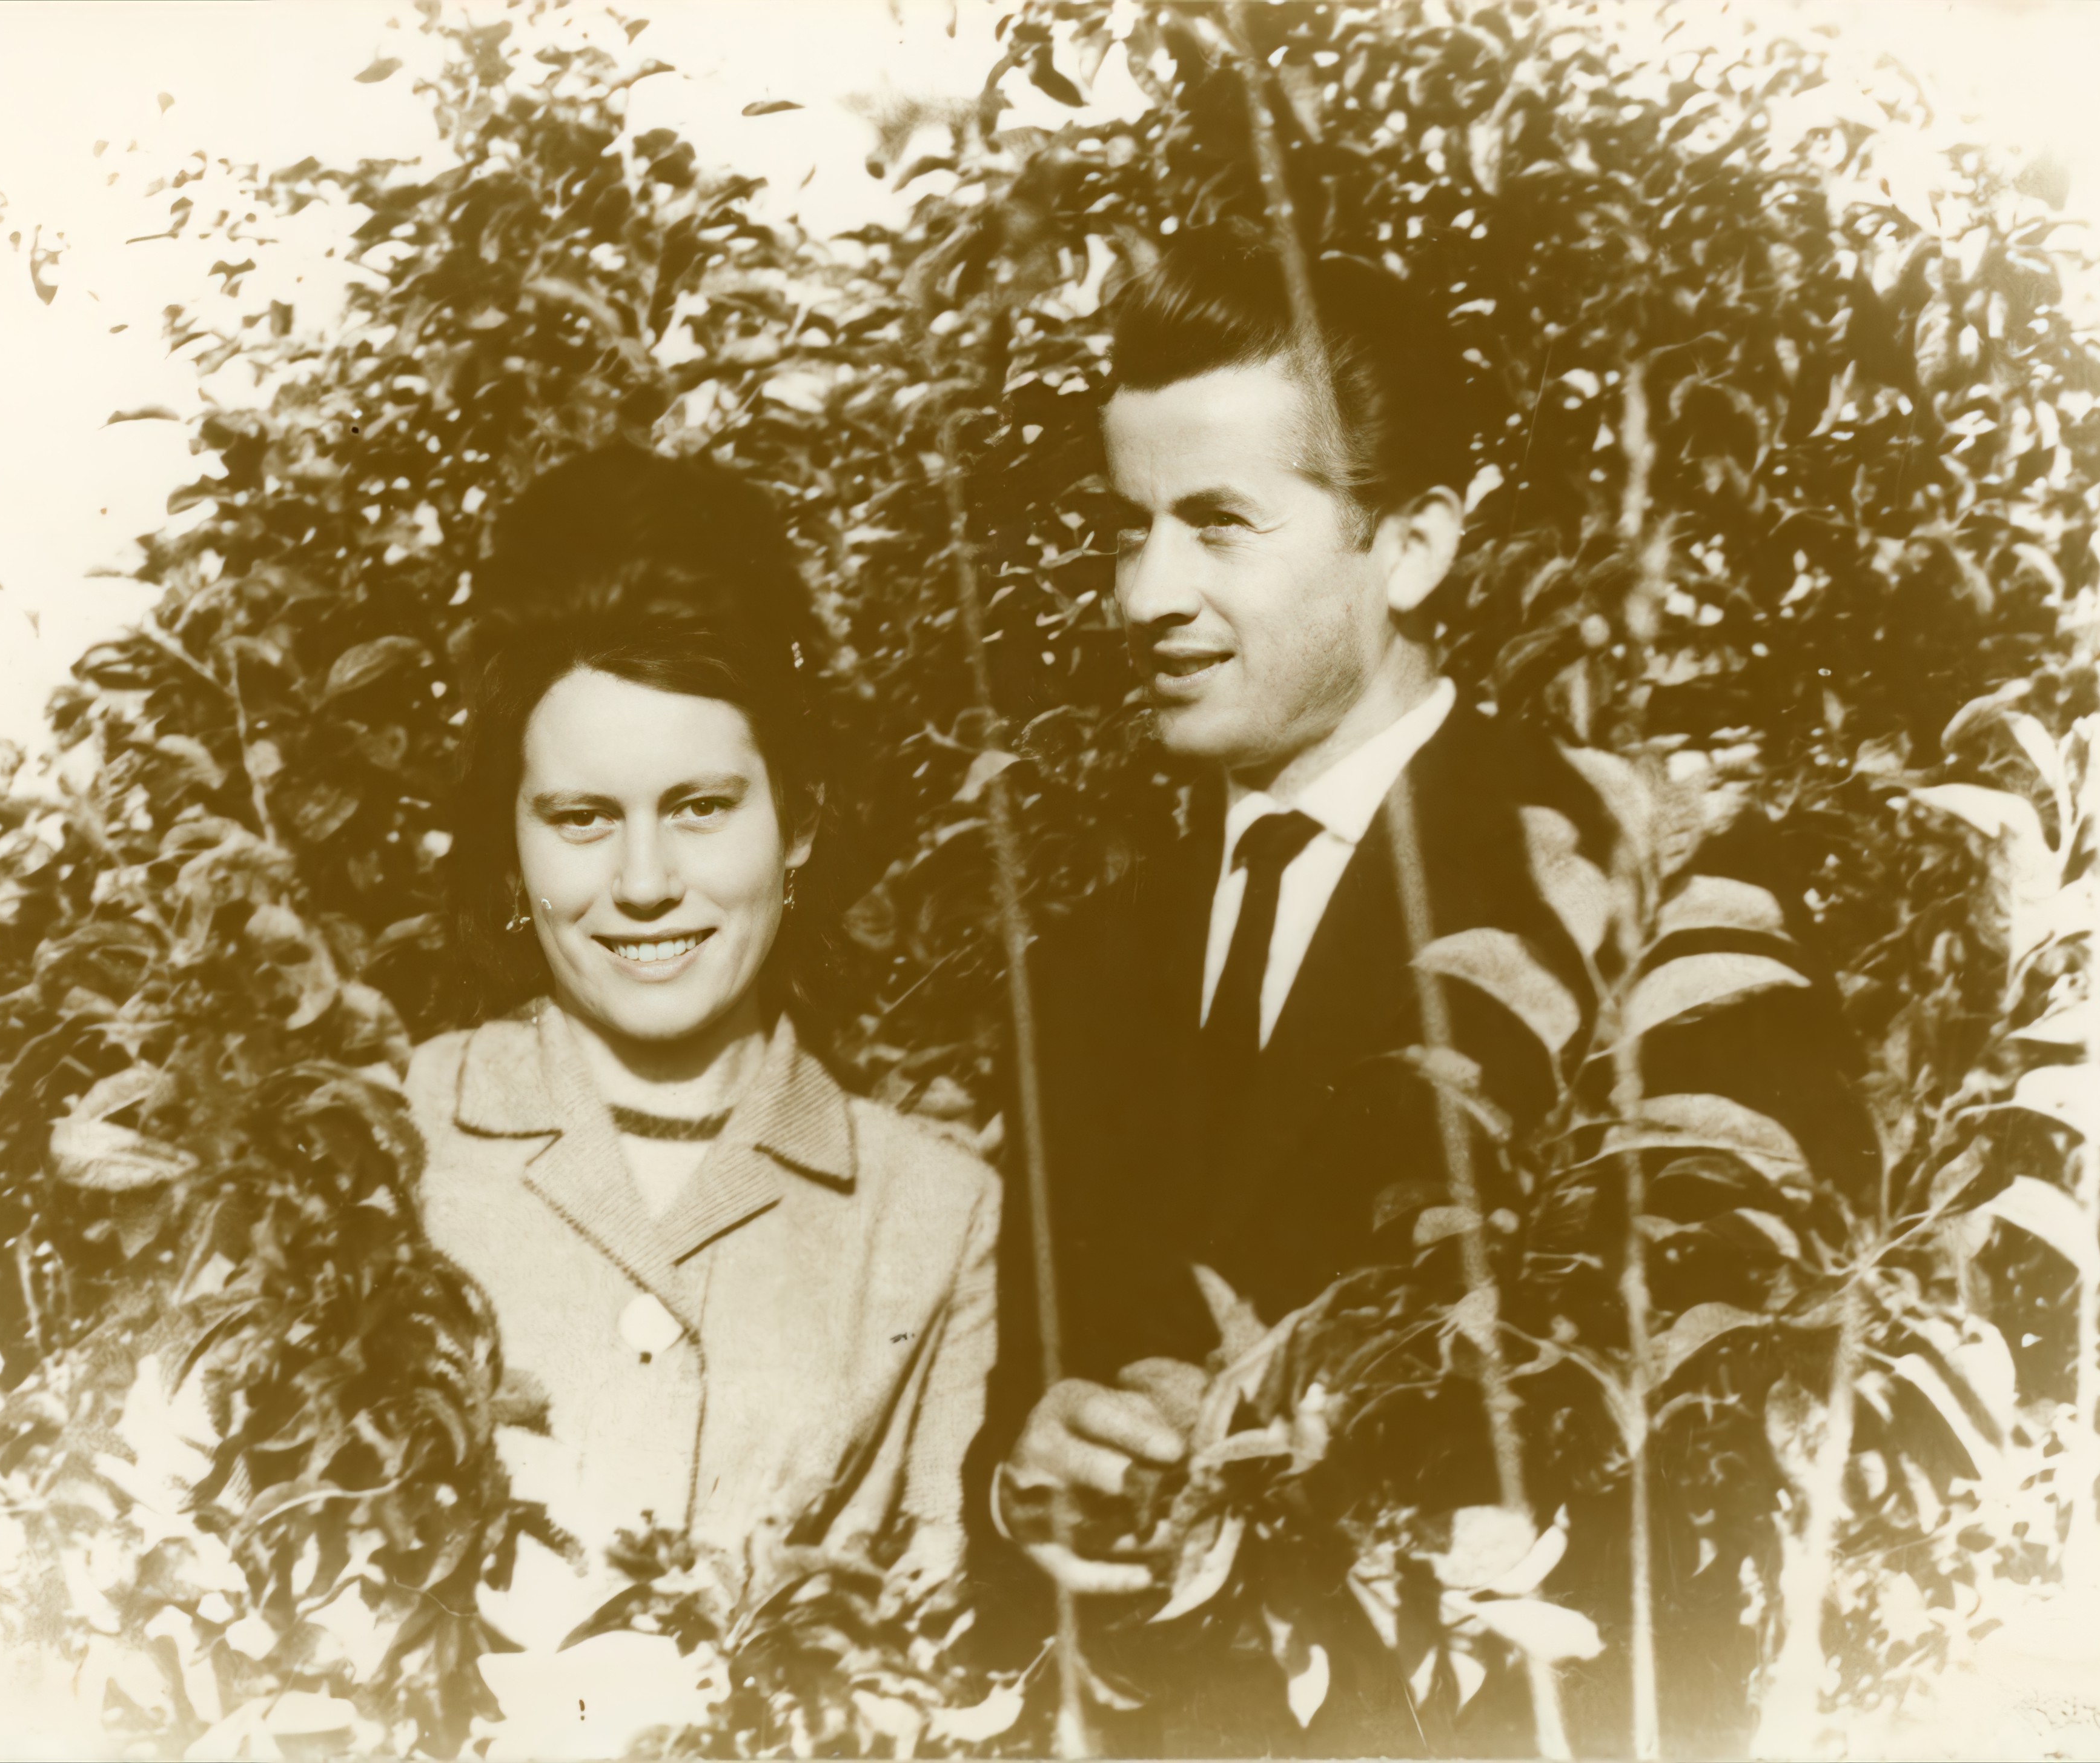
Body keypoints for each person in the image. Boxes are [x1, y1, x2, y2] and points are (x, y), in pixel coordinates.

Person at [981, 228, 1874, 1751]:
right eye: (1127, 530)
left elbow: (1750, 1429)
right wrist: (1027, 1479)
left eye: (1217, 525)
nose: (1143, 594)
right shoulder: (1078, 963)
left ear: (1411, 547)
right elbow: (1022, 1409)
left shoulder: (1633, 885)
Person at [407, 451, 1001, 1740]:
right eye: (580, 817)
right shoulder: (385, 1149)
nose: (642, 883)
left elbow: (939, 1654)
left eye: (700, 808)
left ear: (799, 822)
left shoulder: (934, 1215)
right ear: (510, 840)